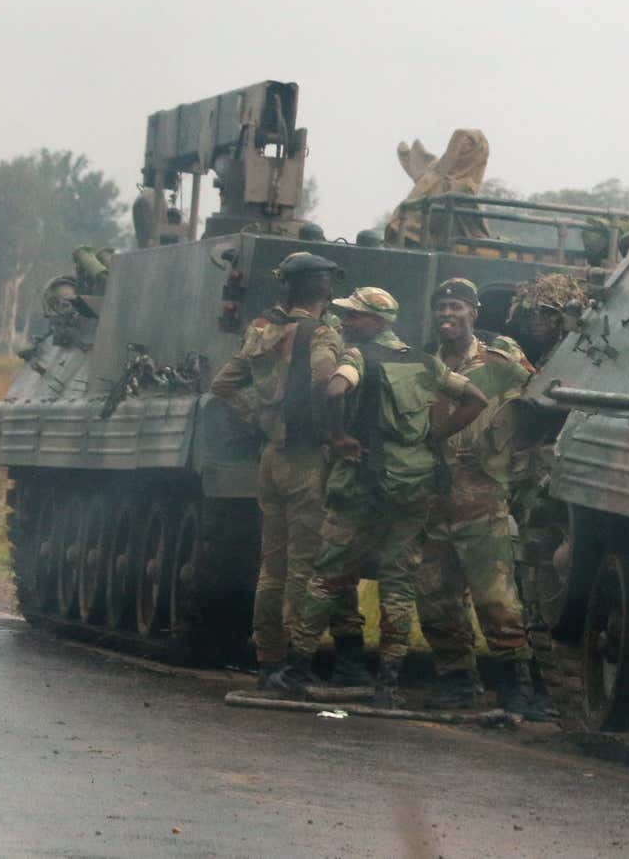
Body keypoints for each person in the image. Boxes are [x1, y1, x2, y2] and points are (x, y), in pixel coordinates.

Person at [270, 286, 487, 707]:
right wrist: (434, 436)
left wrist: (339, 436)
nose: (347, 324)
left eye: (355, 317)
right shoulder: (425, 361)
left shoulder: (358, 357)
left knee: (327, 576)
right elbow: (475, 398)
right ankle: (387, 684)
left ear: (377, 322)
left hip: (362, 484)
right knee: (399, 583)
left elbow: (334, 390)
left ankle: (295, 669)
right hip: (414, 483)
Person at [209, 252, 373, 689]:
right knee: (304, 565)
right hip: (306, 459)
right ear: (324, 289)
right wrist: (338, 436)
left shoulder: (262, 330)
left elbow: (222, 385)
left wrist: (260, 417)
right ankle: (291, 664)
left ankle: (267, 658)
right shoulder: (320, 333)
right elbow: (326, 384)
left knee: (272, 567)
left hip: (271, 456)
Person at [414, 278, 546, 719]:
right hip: (433, 494)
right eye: (440, 306)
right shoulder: (424, 364)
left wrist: (504, 446)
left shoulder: (500, 362)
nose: (446, 314)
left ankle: (516, 687)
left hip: (483, 493)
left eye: (455, 306)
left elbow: (541, 403)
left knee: (496, 599)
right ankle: (457, 681)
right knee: (434, 596)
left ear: (473, 313)